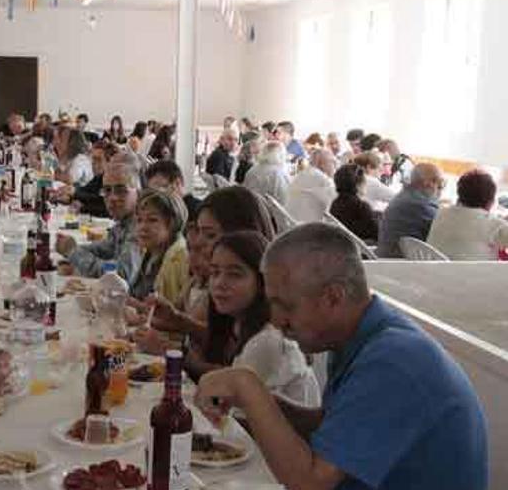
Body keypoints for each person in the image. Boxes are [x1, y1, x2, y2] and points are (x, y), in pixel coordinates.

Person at [194, 223, 488, 490]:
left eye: (286, 306)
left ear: (333, 297)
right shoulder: (355, 336)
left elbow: (309, 483)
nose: (277, 319)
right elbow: (334, 424)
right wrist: (266, 403)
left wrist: (248, 386)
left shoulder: (393, 362)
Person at [184, 231, 320, 407]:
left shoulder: (267, 339)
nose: (219, 283)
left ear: (263, 281)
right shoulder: (238, 325)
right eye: (215, 272)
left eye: (234, 274)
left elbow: (227, 410)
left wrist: (184, 358)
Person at [130, 186, 275, 340]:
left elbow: (227, 355)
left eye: (210, 235)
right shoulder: (207, 279)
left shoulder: (242, 295)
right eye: (199, 231)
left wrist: (166, 348)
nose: (198, 242)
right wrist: (173, 319)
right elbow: (217, 338)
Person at [55, 161, 142, 283]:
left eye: (121, 190)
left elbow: (120, 274)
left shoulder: (140, 227)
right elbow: (103, 250)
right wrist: (73, 250)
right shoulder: (123, 223)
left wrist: (74, 252)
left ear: (138, 193)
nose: (112, 198)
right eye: (107, 190)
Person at [427, 170, 508, 260]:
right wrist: (504, 223)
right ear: (491, 201)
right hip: (469, 282)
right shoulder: (491, 224)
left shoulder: (442, 213)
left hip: (434, 277)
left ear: (460, 194)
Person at [130, 189, 189, 303]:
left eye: (152, 220)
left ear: (172, 223)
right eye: (139, 220)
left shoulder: (179, 257)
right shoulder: (151, 251)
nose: (143, 227)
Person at [376, 163, 445, 258]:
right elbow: (442, 230)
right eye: (441, 184)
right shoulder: (420, 205)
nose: (441, 189)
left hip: (387, 258)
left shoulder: (406, 196)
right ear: (428, 183)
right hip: (400, 264)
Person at [65, 139, 119, 218]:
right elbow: (85, 190)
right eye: (93, 159)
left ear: (110, 161)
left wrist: (76, 196)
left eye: (98, 159)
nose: (93, 163)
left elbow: (104, 205)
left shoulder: (116, 180)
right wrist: (71, 194)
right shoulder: (100, 177)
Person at [285, 148, 337, 223]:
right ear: (322, 164)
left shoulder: (304, 174)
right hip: (308, 229)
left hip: (293, 225)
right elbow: (337, 202)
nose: (336, 165)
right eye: (332, 161)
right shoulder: (321, 179)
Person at [331, 164, 379, 242]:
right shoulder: (361, 206)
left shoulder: (335, 203)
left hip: (342, 246)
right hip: (361, 248)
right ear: (358, 185)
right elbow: (377, 234)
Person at [243, 140, 291, 206]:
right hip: (268, 212)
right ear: (281, 155)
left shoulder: (252, 170)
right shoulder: (279, 174)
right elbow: (285, 200)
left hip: (249, 208)